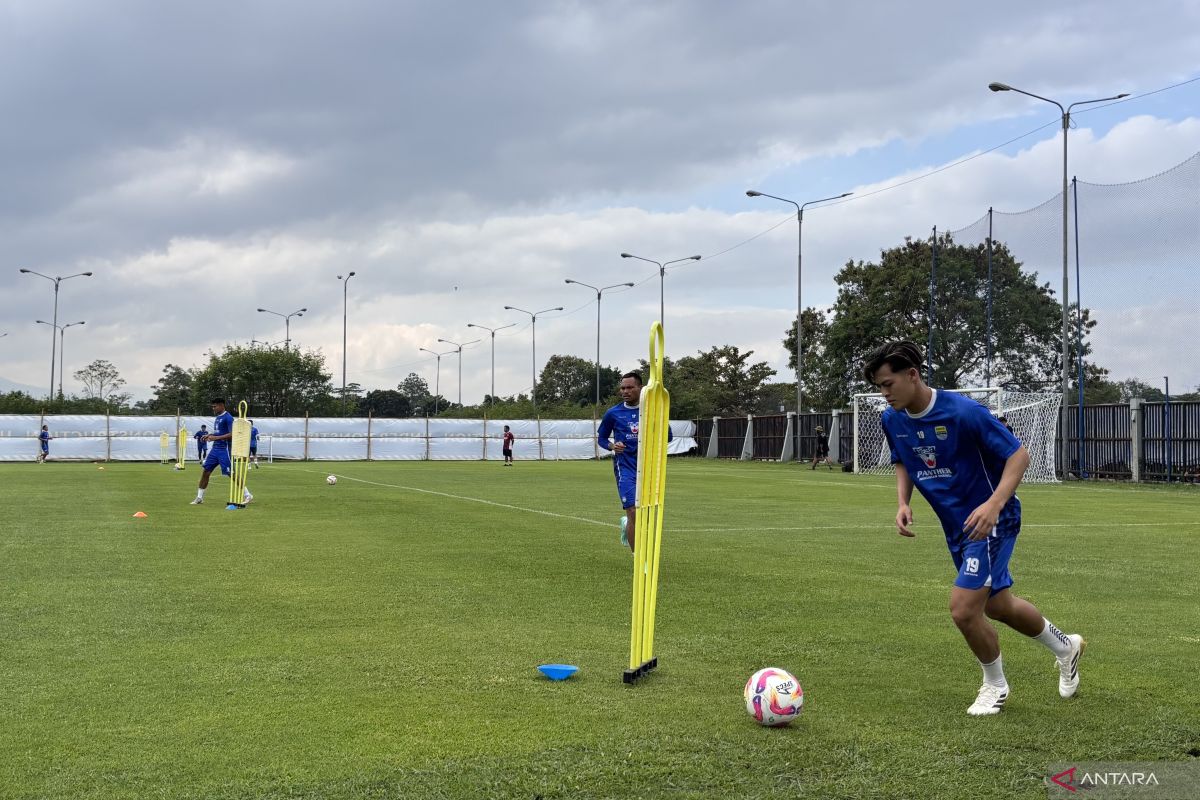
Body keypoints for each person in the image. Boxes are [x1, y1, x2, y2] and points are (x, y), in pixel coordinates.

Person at [864, 340, 1083, 716]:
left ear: (912, 375)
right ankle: (1067, 647)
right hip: (957, 527)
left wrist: (993, 505)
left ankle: (995, 686)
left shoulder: (964, 412)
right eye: (879, 387)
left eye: (888, 384)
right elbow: (903, 459)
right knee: (999, 606)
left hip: (992, 521)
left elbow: (1019, 455)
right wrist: (903, 502)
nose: (884, 393)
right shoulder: (892, 419)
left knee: (964, 610)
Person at [597, 371, 671, 552]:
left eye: (630, 387)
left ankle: (627, 525)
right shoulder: (613, 413)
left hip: (648, 466)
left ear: (640, 388)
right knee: (632, 510)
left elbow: (667, 436)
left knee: (644, 512)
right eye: (622, 388)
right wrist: (612, 446)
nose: (625, 391)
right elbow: (602, 439)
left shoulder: (652, 411)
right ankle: (638, 557)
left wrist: (651, 438)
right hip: (625, 467)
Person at [191, 398, 251, 506]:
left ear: (221, 405)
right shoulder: (218, 418)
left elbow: (233, 434)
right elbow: (218, 432)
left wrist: (215, 438)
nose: (213, 408)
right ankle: (199, 497)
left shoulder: (228, 418)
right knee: (206, 472)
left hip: (224, 450)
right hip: (215, 450)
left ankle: (247, 495)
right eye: (212, 407)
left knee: (231, 473)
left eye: (215, 406)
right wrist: (209, 435)